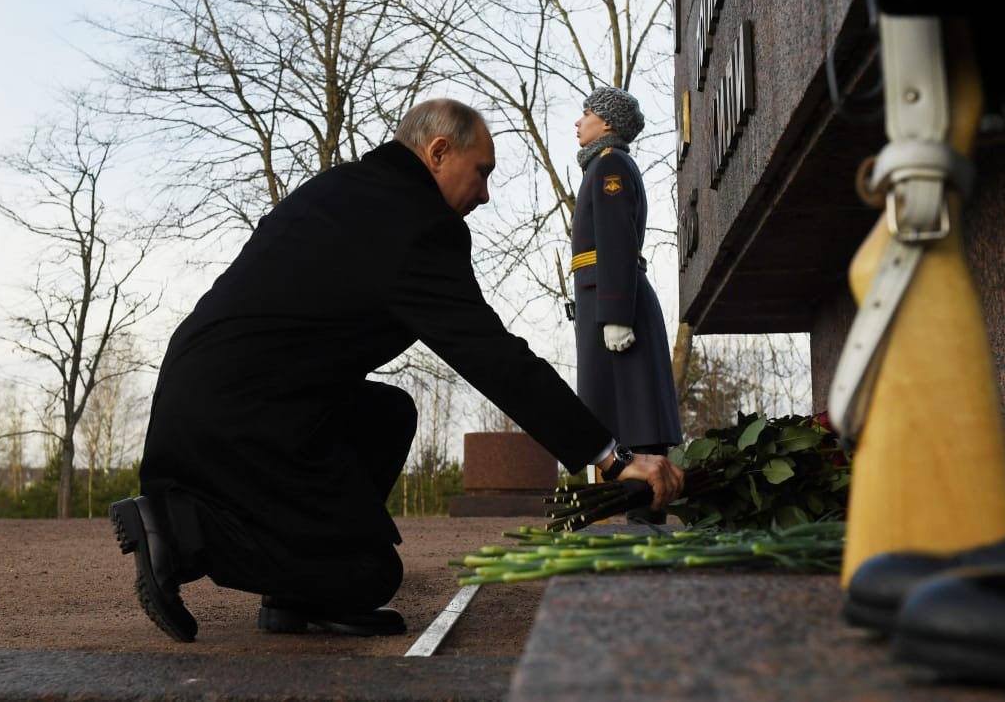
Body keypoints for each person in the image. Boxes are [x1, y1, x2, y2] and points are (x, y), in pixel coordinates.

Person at [111, 99, 685, 642]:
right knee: (369, 576)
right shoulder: (417, 226)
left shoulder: (344, 189)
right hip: (242, 426)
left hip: (212, 402)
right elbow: (495, 357)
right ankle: (183, 530)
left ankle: (294, 593)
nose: (484, 195)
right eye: (481, 172)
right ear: (437, 153)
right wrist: (610, 457)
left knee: (387, 413)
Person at [571, 88, 682, 524]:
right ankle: (634, 514)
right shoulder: (600, 166)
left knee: (636, 412)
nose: (578, 121)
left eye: (587, 112)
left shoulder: (610, 164)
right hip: (604, 300)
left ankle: (644, 516)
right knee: (617, 411)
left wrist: (615, 314)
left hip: (617, 304)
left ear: (609, 124)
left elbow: (616, 239)